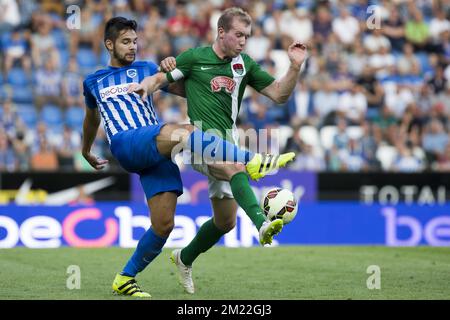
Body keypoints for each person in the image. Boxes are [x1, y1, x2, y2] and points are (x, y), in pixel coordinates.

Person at [82, 17, 295, 298]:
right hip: (126, 143)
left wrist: (177, 68)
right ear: (109, 44)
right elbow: (91, 119)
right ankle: (252, 159)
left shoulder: (147, 67)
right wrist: (86, 150)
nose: (132, 47)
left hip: (156, 152)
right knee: (185, 132)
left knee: (163, 225)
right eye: (125, 42)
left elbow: (188, 85)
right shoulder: (94, 81)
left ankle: (125, 278)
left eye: (135, 41)